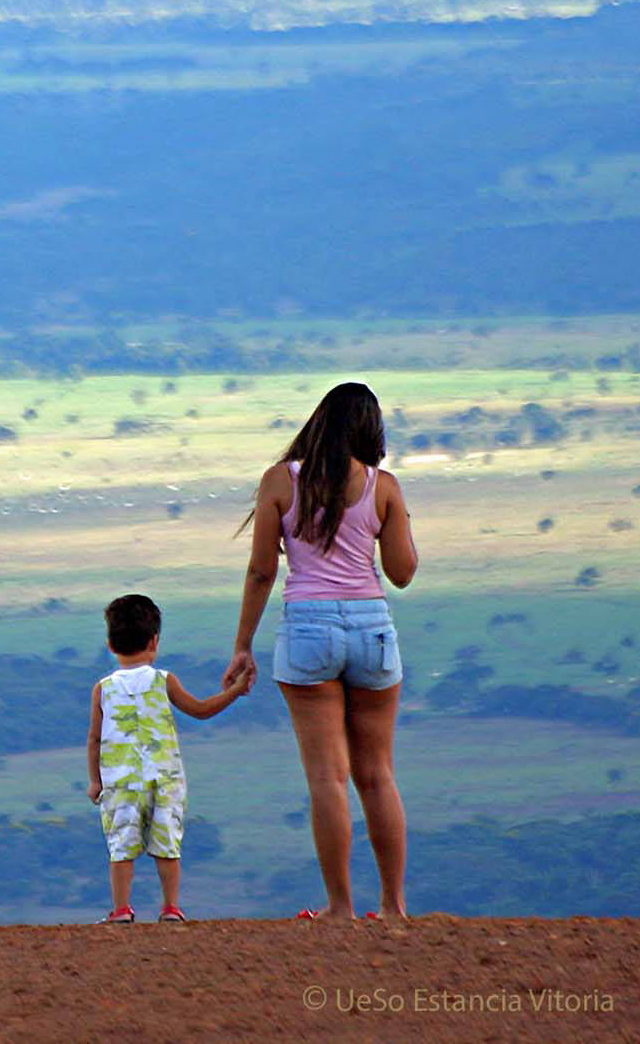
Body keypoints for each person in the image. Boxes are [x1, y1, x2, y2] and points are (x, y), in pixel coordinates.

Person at [222, 381, 419, 921]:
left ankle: (340, 908)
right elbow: (402, 574)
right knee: (377, 775)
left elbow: (263, 569)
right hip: (372, 627)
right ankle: (395, 908)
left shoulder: (280, 482)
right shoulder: (384, 487)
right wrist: (397, 519)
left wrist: (243, 646)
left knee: (327, 778)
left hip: (307, 628)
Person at [87, 593, 250, 923]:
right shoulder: (164, 681)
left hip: (121, 781)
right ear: (155, 640)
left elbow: (95, 738)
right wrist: (236, 690)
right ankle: (171, 908)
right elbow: (201, 710)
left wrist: (95, 780)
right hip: (165, 779)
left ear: (110, 643)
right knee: (167, 845)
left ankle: (121, 910)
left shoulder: (103, 688)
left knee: (121, 847)